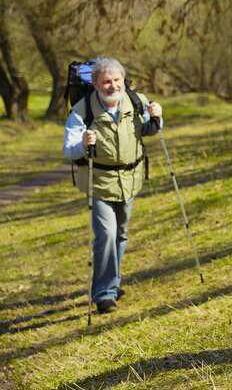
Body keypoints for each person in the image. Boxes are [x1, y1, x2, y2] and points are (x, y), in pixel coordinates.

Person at [63, 57, 163, 314]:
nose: (112, 86)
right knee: (106, 235)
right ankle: (104, 294)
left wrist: (157, 118)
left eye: (117, 80)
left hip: (130, 179)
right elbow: (69, 151)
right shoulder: (82, 111)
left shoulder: (136, 101)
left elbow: (148, 131)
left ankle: (113, 283)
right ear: (95, 83)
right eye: (106, 81)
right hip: (100, 182)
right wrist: (83, 143)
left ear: (123, 80)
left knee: (120, 234)